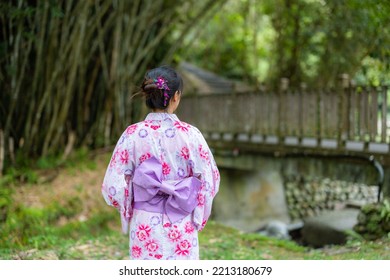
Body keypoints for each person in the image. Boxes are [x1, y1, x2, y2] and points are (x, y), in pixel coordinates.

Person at [101, 66, 220, 260]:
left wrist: (130, 206)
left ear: (148, 96)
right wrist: (199, 214)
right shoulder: (191, 135)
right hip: (181, 220)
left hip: (145, 223)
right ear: (176, 96)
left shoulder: (132, 134)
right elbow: (210, 181)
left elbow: (112, 187)